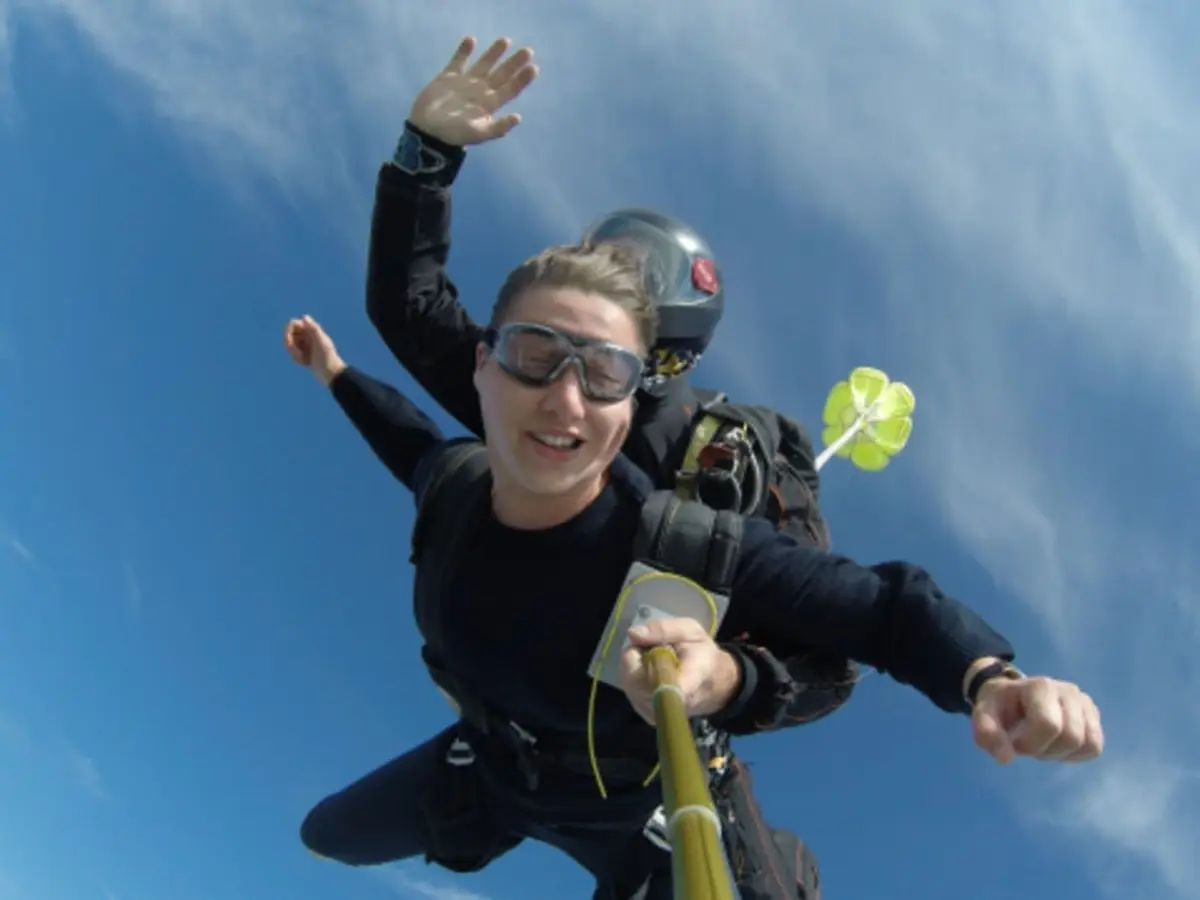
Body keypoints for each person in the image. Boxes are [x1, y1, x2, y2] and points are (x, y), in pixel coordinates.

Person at [284, 239, 1104, 899]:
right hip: (489, 769)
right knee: (327, 834)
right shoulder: (458, 484)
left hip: (638, 806)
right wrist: (336, 375)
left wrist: (991, 678)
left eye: (604, 374)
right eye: (536, 353)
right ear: (483, 365)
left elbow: (881, 609)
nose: (566, 400)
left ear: (629, 402)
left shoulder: (683, 544)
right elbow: (409, 441)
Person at [363, 32, 856, 739]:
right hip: (496, 732)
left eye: (628, 280)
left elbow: (830, 654)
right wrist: (424, 158)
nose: (568, 401)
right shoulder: (531, 379)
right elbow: (410, 307)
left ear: (665, 346)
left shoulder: (739, 443)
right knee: (334, 832)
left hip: (625, 778)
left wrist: (729, 680)